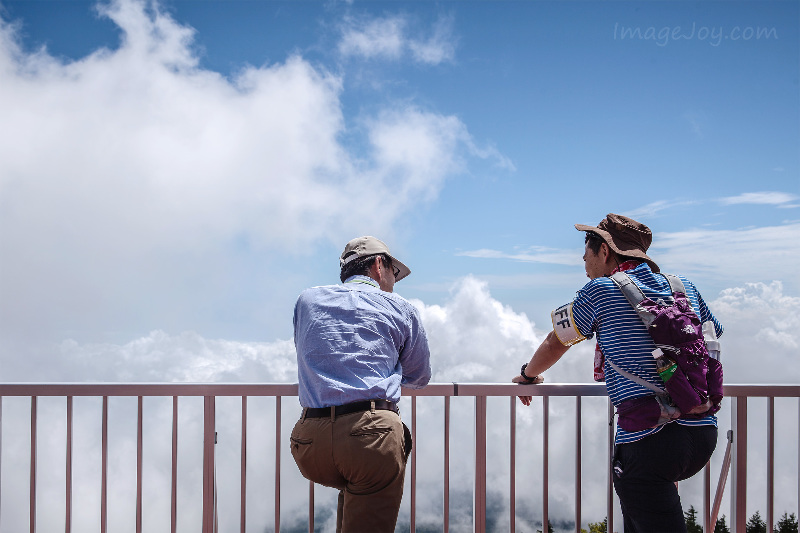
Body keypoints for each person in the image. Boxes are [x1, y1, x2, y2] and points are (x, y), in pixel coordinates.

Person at [511, 213, 723, 532]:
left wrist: (528, 376)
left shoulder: (599, 291)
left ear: (605, 252)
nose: (584, 260)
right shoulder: (683, 285)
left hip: (648, 439)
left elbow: (556, 341)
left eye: (587, 251)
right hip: (702, 429)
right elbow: (713, 330)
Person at [290, 236, 431, 533]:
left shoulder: (307, 300)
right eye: (395, 272)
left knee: (354, 493)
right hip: (370, 440)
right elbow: (419, 377)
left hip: (309, 443)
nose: (394, 281)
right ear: (379, 265)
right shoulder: (400, 308)